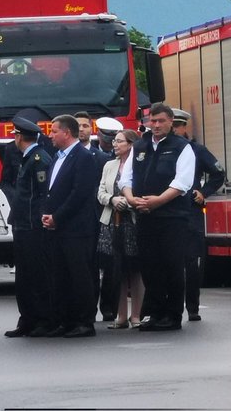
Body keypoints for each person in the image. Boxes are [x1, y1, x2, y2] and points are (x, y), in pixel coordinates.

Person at [127, 103, 195, 331]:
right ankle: (154, 313)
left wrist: (157, 201)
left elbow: (181, 183)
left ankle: (173, 315)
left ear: (170, 122)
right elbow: (125, 179)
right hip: (145, 215)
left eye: (160, 121)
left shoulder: (181, 147)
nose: (155, 125)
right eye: (152, 121)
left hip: (172, 217)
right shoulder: (139, 146)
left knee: (172, 266)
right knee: (149, 266)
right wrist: (131, 198)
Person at [42, 114, 103, 338]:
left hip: (77, 229)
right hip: (57, 228)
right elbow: (52, 191)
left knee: (80, 276)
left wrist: (57, 216)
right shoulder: (57, 157)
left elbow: (80, 193)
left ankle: (84, 322)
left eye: (54, 131)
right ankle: (65, 320)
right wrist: (47, 214)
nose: (50, 136)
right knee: (61, 276)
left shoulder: (83, 157)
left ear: (66, 133)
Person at [172, 109, 225, 322]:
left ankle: (192, 306)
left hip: (189, 211)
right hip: (165, 211)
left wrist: (203, 193)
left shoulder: (196, 150)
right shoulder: (159, 149)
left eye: (178, 125)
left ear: (185, 127)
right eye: (172, 124)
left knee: (191, 260)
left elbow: (218, 174)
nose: (174, 129)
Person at [5, 117, 54, 337]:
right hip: (23, 225)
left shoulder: (38, 159)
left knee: (37, 276)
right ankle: (27, 319)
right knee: (24, 276)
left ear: (18, 137)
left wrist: (39, 221)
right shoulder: (28, 158)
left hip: (33, 227)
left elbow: (43, 195)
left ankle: (42, 320)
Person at [97, 128, 144, 329]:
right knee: (117, 270)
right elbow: (100, 192)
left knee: (135, 270)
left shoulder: (139, 165)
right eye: (114, 141)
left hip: (132, 222)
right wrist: (112, 199)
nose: (115, 144)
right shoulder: (109, 165)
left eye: (120, 141)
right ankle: (121, 316)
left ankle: (136, 316)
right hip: (111, 222)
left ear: (131, 144)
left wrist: (129, 202)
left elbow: (144, 190)